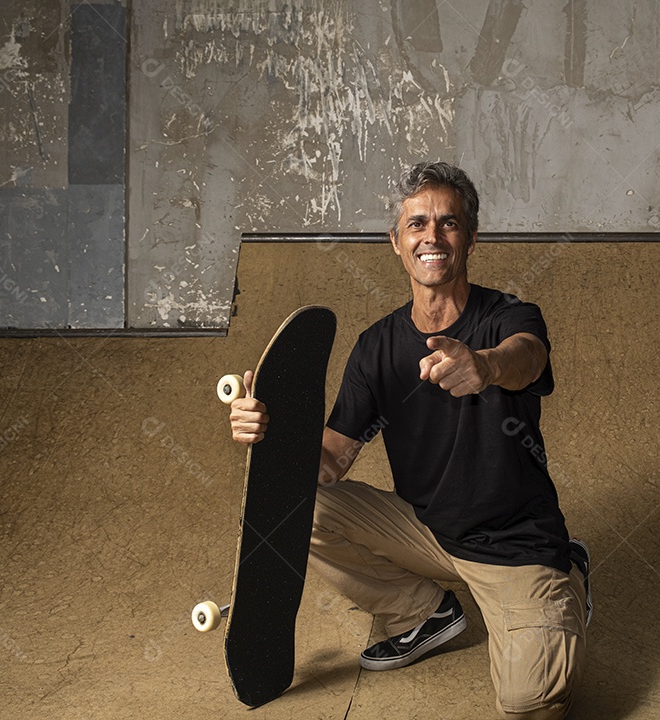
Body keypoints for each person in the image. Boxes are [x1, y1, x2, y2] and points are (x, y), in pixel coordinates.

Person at [229, 161, 590, 720]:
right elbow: (329, 461)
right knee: (301, 507)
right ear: (396, 241)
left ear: (471, 237)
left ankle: (568, 574)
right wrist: (270, 437)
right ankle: (422, 614)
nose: (433, 236)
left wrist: (486, 366)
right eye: (417, 223)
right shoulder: (376, 347)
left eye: (449, 223)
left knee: (529, 706)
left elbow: (529, 357)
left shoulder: (507, 318)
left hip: (516, 550)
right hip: (429, 533)